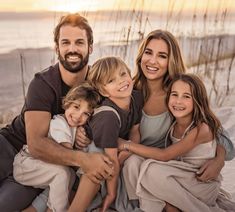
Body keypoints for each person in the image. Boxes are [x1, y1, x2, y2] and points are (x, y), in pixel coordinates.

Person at [0, 13, 114, 211]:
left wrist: (84, 128)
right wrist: (83, 160)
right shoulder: (43, 83)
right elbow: (36, 143)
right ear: (57, 48)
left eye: (79, 42)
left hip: (42, 165)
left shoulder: (98, 84)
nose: (72, 49)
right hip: (10, 146)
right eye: (65, 42)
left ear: (90, 47)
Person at [120, 29, 234, 209]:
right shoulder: (129, 91)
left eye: (162, 56)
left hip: (168, 166)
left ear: (170, 61)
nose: (152, 61)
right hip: (136, 163)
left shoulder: (178, 94)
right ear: (141, 56)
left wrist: (219, 160)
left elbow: (218, 133)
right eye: (148, 52)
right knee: (133, 164)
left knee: (150, 170)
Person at [68, 56, 144, 212]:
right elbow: (111, 160)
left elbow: (136, 132)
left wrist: (125, 153)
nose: (121, 81)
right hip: (90, 148)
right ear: (103, 91)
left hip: (110, 144)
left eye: (123, 74)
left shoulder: (135, 97)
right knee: (99, 169)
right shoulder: (107, 117)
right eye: (111, 81)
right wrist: (111, 193)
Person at [13, 83, 101, 212]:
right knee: (62, 174)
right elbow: (67, 153)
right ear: (67, 103)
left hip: (42, 166)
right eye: (76, 107)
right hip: (26, 164)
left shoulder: (75, 128)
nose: (78, 116)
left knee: (67, 176)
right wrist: (89, 166)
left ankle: (49, 208)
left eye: (86, 114)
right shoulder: (59, 123)